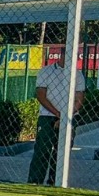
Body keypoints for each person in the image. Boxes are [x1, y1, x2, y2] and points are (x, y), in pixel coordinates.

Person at [27, 50, 85, 185]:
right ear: (62, 55)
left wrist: (66, 116)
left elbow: (79, 99)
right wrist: (58, 114)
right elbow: (41, 95)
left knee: (62, 151)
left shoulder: (77, 74)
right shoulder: (46, 71)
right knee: (42, 149)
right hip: (47, 116)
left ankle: (55, 181)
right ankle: (35, 181)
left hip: (69, 117)